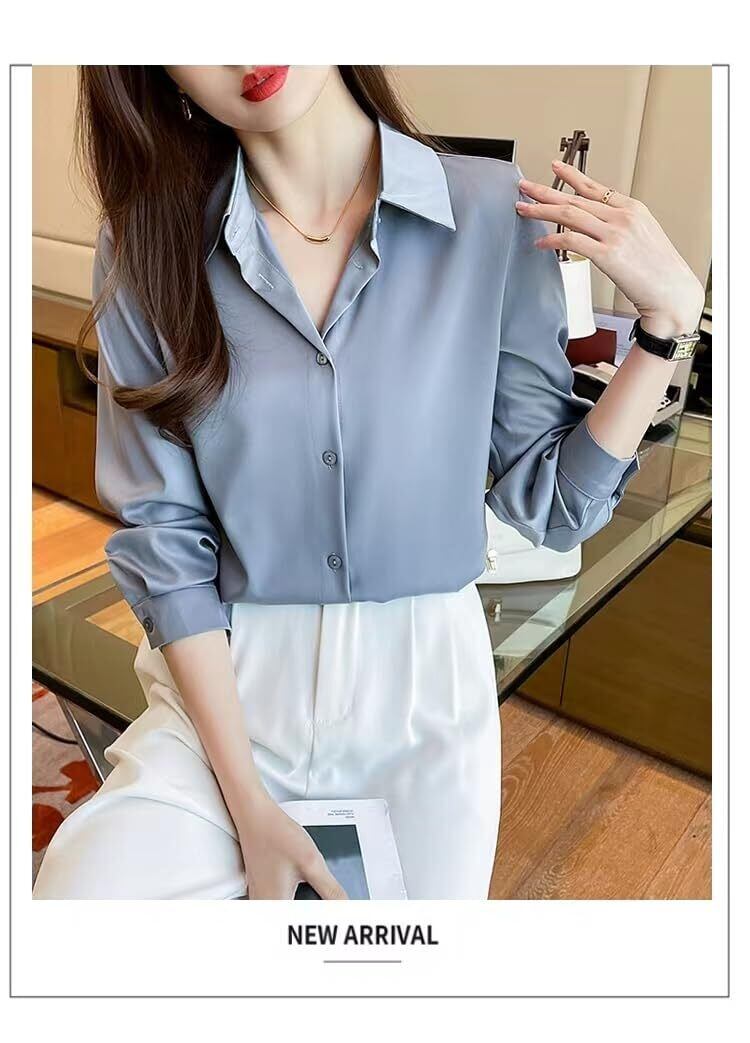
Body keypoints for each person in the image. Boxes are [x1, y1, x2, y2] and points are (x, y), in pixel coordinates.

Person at [32, 65, 705, 900]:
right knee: (83, 906)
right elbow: (164, 538)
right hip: (233, 681)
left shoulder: (492, 212)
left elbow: (554, 505)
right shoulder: (147, 243)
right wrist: (248, 802)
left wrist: (664, 330)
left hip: (424, 697)